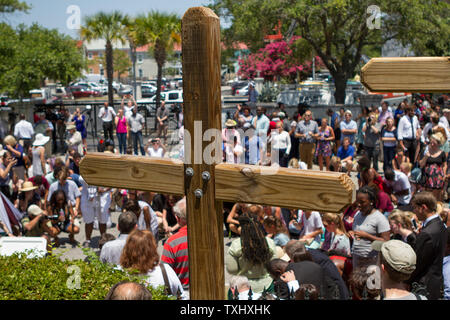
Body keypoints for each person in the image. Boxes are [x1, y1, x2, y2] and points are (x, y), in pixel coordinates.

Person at [119, 229, 186, 298]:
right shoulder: (165, 271)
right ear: (152, 248)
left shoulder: (119, 273)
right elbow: (182, 296)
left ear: (127, 249)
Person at [407, 192, 448, 299]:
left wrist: (406, 281)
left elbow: (418, 262)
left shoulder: (428, 233)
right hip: (435, 282)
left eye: (415, 207)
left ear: (423, 208)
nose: (414, 211)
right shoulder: (440, 224)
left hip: (424, 286)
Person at [225, 212, 278, 293]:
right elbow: (274, 266)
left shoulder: (236, 244)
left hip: (242, 285)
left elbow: (232, 269)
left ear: (241, 227)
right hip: (267, 285)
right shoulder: (269, 242)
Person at [350, 186, 391, 269]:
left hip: (371, 261)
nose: (358, 204)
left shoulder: (379, 218)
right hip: (356, 257)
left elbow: (386, 242)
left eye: (362, 202)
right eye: (357, 201)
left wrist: (367, 236)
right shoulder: (358, 214)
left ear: (371, 201)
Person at [161, 198, 189, 291]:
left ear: (177, 218)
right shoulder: (208, 237)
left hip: (181, 292)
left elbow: (165, 273)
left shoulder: (171, 243)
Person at [79, 175, 111, 248]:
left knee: (102, 218)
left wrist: (104, 189)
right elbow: (81, 179)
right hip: (87, 194)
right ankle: (88, 240)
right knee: (88, 218)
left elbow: (113, 182)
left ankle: (103, 239)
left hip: (103, 195)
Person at [419, 132, 447, 201]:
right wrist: (426, 156)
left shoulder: (442, 153)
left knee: (437, 197)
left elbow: (444, 165)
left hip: (438, 178)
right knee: (428, 197)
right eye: (431, 143)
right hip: (427, 178)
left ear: (438, 144)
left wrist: (444, 174)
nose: (432, 144)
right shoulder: (425, 151)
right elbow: (421, 165)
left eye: (434, 143)